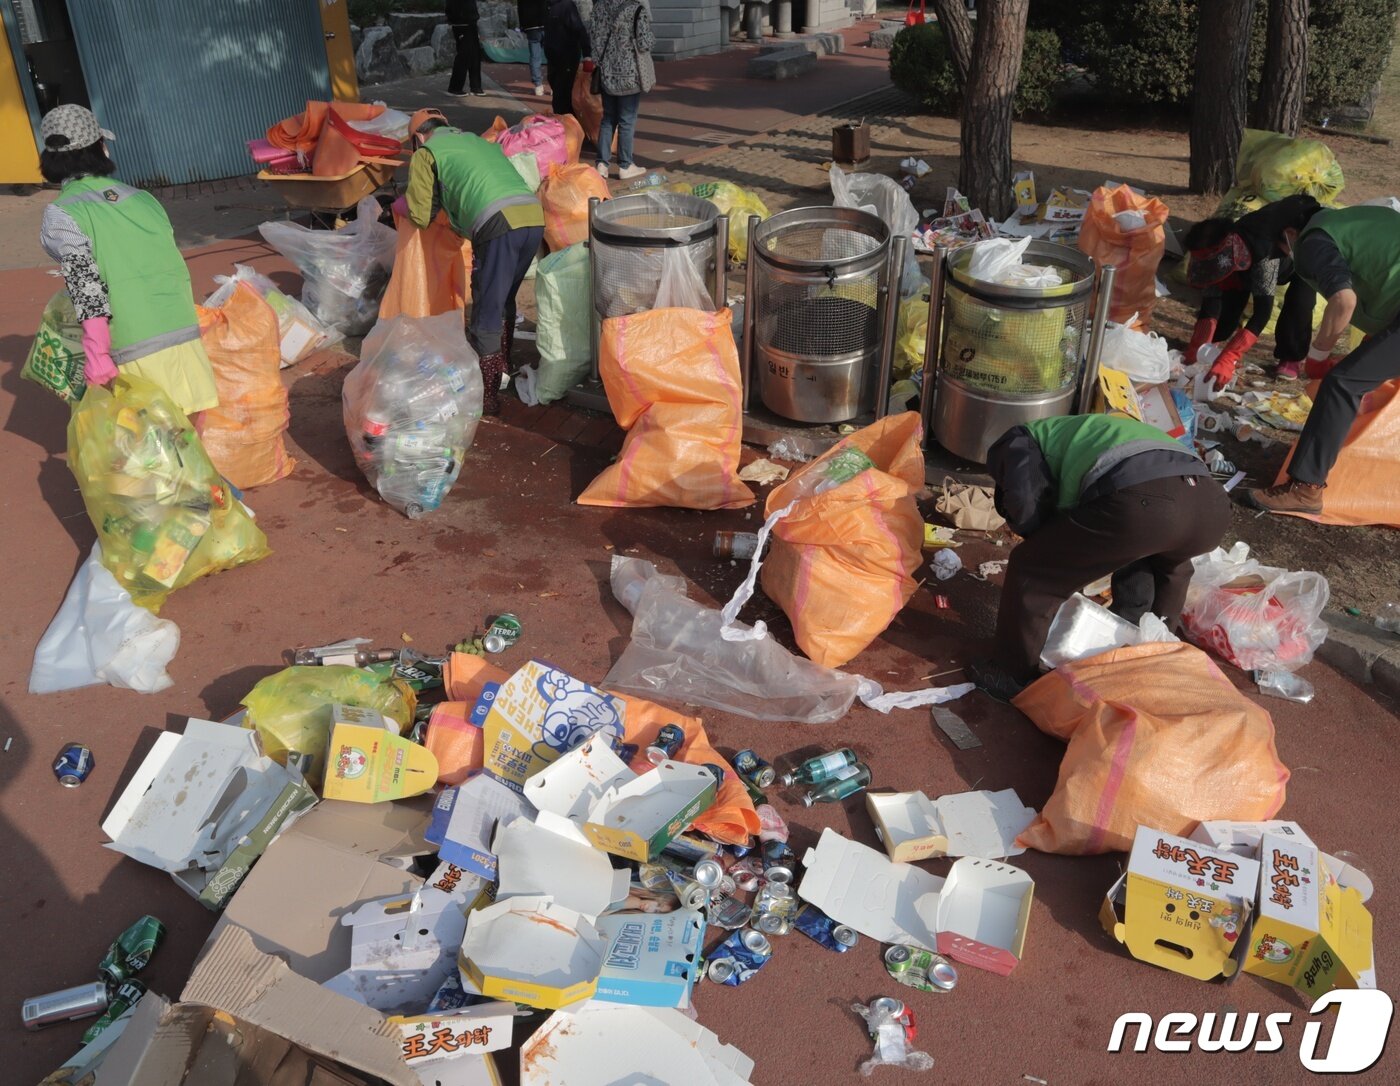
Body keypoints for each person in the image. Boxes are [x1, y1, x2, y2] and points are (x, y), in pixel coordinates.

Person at [971, 414, 1230, 701]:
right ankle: (1150, 659)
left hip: (1146, 501)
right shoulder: (1083, 434)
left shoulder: (1017, 442)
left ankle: (1011, 673)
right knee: (1162, 564)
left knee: (1033, 568)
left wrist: (1038, 542)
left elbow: (1025, 503)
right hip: (1212, 507)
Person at [37, 104, 218, 418]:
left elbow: (86, 287)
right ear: (101, 149)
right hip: (181, 328)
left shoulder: (63, 214)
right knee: (188, 437)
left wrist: (96, 354)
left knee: (145, 449)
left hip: (133, 343)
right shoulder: (142, 198)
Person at [1248, 204, 1400, 515]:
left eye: (1281, 248)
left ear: (1291, 233)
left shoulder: (1314, 240)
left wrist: (1317, 357)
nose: (1285, 255)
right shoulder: (1353, 223)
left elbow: (1344, 300)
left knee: (1341, 384)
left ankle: (1306, 489)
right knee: (1350, 376)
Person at [402, 109, 545, 415]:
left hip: (497, 225)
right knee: (504, 296)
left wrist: (401, 207)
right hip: (532, 216)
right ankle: (503, 363)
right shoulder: (478, 141)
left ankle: (487, 395)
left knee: (485, 309)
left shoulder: (426, 153)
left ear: (417, 138)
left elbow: (420, 213)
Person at [1184, 194, 1321, 385]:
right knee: (1230, 302)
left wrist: (1230, 356)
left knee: (1300, 304)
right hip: (1249, 262)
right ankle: (1215, 341)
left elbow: (1262, 314)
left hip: (1299, 259)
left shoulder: (1265, 257)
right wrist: (1200, 342)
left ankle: (1291, 356)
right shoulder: (1225, 246)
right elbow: (1212, 295)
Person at [589, 0, 655, 180]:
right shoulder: (636, 8)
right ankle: (625, 165)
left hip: (606, 74)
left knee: (608, 118)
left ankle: (601, 164)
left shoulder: (599, 7)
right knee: (627, 120)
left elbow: (593, 41)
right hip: (629, 75)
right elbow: (644, 43)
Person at [544, 0, 591, 117]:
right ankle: (565, 121)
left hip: (559, 56)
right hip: (563, 56)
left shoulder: (556, 6)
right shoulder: (564, 6)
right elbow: (580, 29)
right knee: (563, 92)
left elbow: (579, 30)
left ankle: (562, 120)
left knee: (561, 92)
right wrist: (587, 54)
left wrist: (587, 54)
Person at [447, 0, 485, 97]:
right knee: (464, 56)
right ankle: (455, 88)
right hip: (461, 22)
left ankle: (476, 86)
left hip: (470, 22)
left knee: (475, 55)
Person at [519, 0, 547, 97]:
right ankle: (554, 85)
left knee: (535, 57)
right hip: (546, 24)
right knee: (552, 56)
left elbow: (520, 10)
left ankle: (538, 85)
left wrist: (523, 26)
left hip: (531, 26)